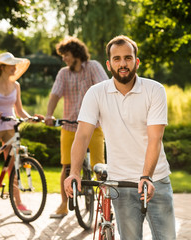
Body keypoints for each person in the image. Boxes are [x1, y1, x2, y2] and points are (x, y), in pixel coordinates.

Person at [64, 35, 176, 239]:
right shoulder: (96, 93)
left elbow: (155, 138)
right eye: (117, 59)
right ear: (109, 64)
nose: (122, 64)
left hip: (155, 180)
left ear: (136, 61)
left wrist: (146, 177)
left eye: (128, 58)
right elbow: (82, 137)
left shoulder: (154, 90)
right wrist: (74, 173)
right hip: (120, 184)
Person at [0, 52, 43, 218]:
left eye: (15, 65)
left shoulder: (16, 85)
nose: (14, 68)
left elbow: (19, 110)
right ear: (2, 67)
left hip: (10, 126)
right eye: (11, 65)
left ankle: (18, 202)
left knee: (13, 166)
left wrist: (31, 118)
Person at [45, 37, 108, 218]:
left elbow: (105, 87)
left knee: (99, 167)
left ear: (76, 53)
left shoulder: (93, 67)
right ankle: (64, 205)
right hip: (70, 126)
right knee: (67, 166)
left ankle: (105, 206)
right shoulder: (63, 73)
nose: (63, 58)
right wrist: (49, 114)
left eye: (66, 54)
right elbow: (55, 95)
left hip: (94, 125)